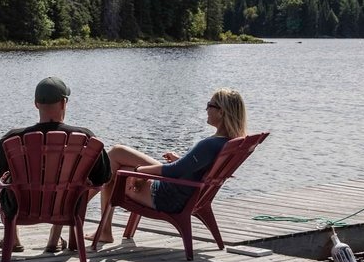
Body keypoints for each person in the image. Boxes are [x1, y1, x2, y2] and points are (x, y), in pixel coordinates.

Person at [93, 88, 248, 243]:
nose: (206, 109)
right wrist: (182, 160)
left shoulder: (210, 144)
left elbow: (174, 171)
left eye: (210, 105)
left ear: (221, 112)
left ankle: (99, 224)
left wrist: (139, 171)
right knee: (117, 154)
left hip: (167, 197)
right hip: (188, 192)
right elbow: (193, 169)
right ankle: (99, 224)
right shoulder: (228, 142)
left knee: (114, 169)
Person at [0, 76, 112, 253]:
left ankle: (13, 238)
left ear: (36, 104)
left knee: (7, 180)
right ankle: (55, 236)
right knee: (72, 181)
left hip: (21, 207)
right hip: (67, 206)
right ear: (63, 103)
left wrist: (5, 175)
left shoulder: (14, 138)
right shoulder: (85, 137)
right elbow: (103, 177)